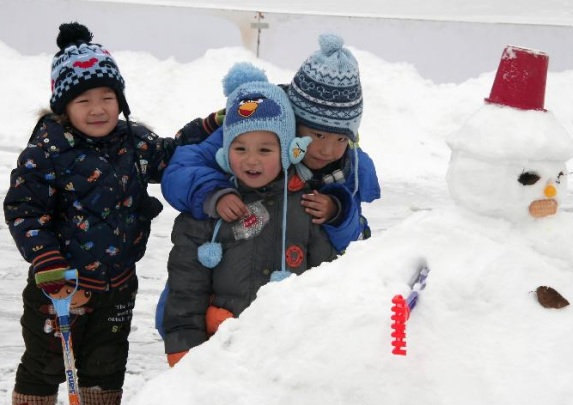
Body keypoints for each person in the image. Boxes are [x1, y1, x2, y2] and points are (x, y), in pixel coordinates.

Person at [3, 22, 209, 405]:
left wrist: (211, 126)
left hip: (117, 287)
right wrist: (46, 259)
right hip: (60, 288)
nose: (98, 109)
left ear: (121, 100)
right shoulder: (46, 152)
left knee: (105, 368)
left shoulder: (136, 144)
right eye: (83, 101)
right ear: (64, 106)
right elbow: (24, 210)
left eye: (107, 97)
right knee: (43, 368)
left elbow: (174, 154)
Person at [162, 62, 337, 367]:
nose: (251, 160)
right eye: (240, 149)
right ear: (225, 152)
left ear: (287, 152)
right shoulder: (209, 205)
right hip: (221, 345)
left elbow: (328, 277)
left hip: (285, 349)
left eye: (266, 151)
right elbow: (186, 284)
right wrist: (184, 344)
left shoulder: (305, 202)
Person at [162, 33, 380, 252]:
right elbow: (181, 171)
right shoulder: (254, 133)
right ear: (294, 123)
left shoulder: (350, 168)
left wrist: (338, 212)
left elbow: (356, 243)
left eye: (341, 138)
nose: (327, 150)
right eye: (318, 135)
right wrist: (213, 193)